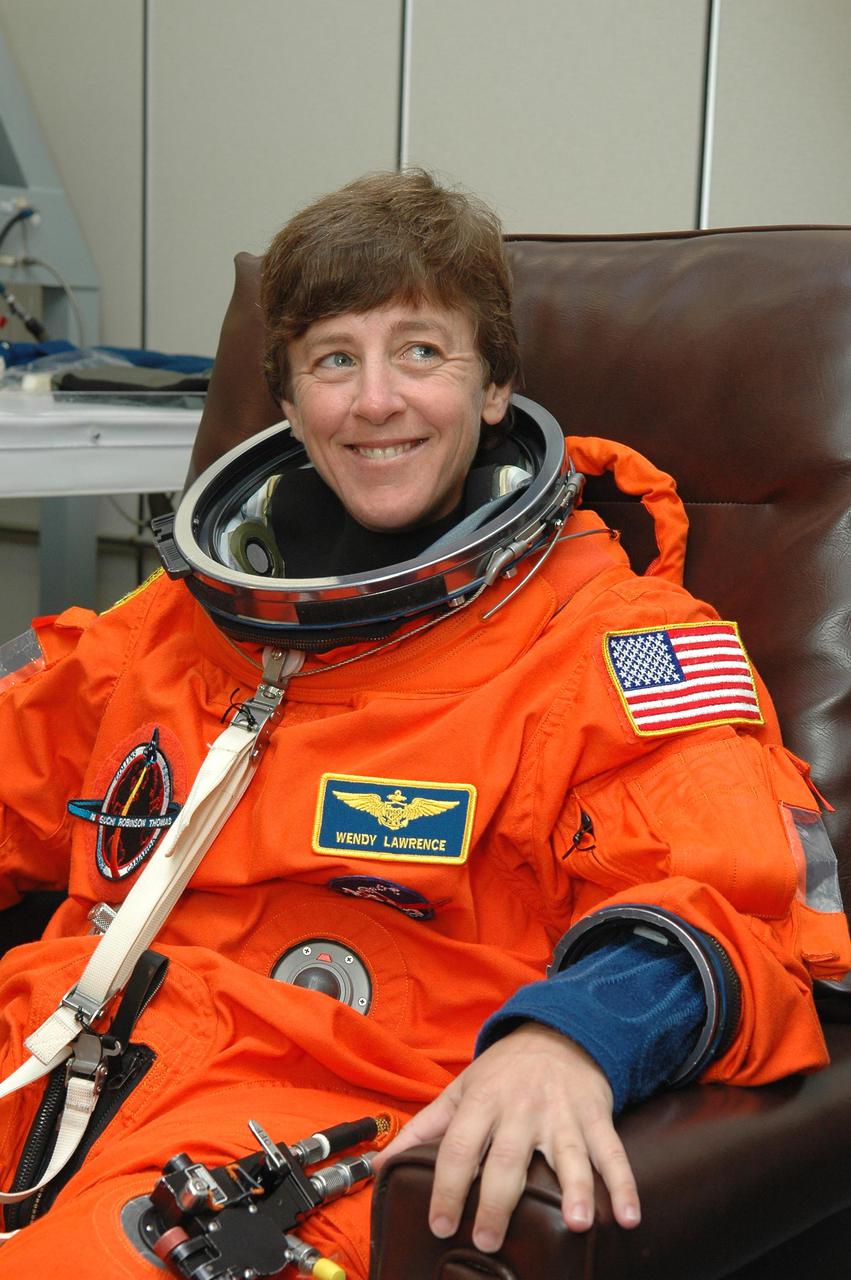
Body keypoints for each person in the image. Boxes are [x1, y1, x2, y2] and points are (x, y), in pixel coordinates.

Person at [0, 171, 847, 1278]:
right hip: (54, 1065)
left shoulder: (616, 641)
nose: (375, 400)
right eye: (333, 358)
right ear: (291, 399)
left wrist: (570, 1036)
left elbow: (738, 895)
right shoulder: (176, 621)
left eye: (419, 351)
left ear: (492, 384)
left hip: (296, 1134)